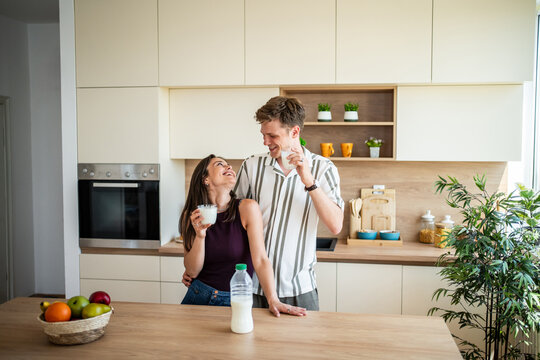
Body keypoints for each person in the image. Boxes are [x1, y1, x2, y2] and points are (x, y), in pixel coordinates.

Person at [233, 96, 344, 310]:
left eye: (272, 135)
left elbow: (335, 225)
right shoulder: (251, 166)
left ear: (294, 132)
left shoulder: (323, 168)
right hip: (253, 287)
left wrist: (309, 181)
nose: (265, 142)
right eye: (263, 135)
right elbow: (230, 221)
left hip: (300, 289)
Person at [179, 154, 306, 317]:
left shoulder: (247, 208)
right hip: (198, 295)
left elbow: (260, 259)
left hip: (234, 300)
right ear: (205, 179)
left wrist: (273, 299)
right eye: (220, 164)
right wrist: (200, 236)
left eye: (229, 165)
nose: (229, 167)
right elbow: (192, 271)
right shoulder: (192, 216)